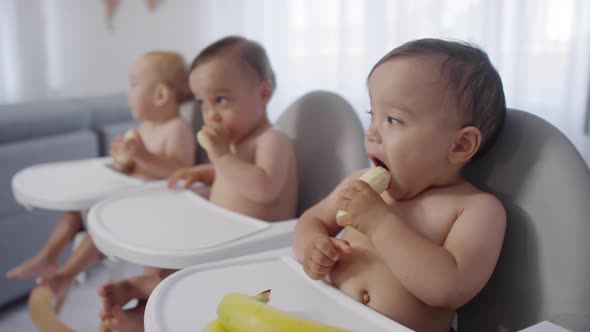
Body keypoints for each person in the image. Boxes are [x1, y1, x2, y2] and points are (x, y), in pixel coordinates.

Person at [293, 39, 507, 332]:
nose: (372, 133)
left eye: (393, 119)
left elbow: (449, 288)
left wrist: (380, 223)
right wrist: (312, 248)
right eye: (373, 116)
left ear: (460, 144)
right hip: (327, 318)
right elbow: (311, 219)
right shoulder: (358, 183)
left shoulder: (474, 209)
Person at [98, 36, 298, 332]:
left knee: (183, 283)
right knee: (163, 256)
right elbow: (232, 177)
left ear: (263, 93)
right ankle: (145, 305)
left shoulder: (272, 140)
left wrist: (219, 156)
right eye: (203, 103)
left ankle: (143, 303)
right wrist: (205, 172)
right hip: (220, 237)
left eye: (221, 100)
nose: (210, 114)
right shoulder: (235, 146)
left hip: (251, 250)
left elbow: (264, 188)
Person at [7, 51, 196, 300]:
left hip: (154, 206)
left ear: (160, 95)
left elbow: (178, 171)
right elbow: (134, 169)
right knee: (77, 211)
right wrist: (123, 160)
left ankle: (66, 275)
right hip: (129, 195)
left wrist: (142, 156)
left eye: (134, 84)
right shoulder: (144, 128)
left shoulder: (177, 129)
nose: (128, 92)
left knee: (99, 225)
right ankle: (48, 257)